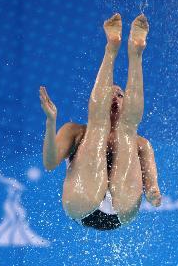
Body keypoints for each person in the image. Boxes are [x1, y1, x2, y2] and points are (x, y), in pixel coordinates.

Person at [40, 12, 161, 231]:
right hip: (83, 201)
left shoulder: (141, 145)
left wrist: (153, 193)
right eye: (111, 94)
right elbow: (49, 163)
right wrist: (51, 122)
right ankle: (111, 48)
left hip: (121, 209)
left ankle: (136, 53)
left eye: (121, 95)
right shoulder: (74, 132)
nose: (115, 97)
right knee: (97, 128)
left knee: (127, 131)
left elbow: (152, 187)